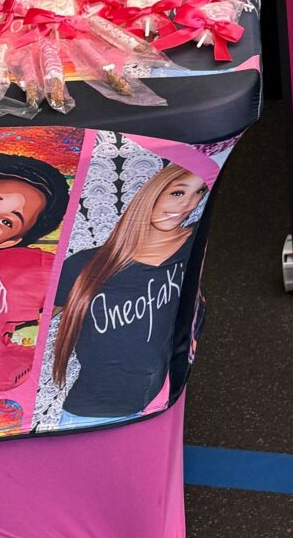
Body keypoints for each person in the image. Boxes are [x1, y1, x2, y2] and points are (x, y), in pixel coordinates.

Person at [51, 163, 210, 428]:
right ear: (150, 193)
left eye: (199, 193)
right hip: (86, 413)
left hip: (158, 408)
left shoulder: (193, 244)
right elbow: (34, 320)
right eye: (178, 193)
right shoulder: (82, 265)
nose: (187, 206)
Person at [0, 153, 72, 398]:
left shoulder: (28, 269)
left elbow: (89, 289)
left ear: (11, 242)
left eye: (6, 221)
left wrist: (28, 358)